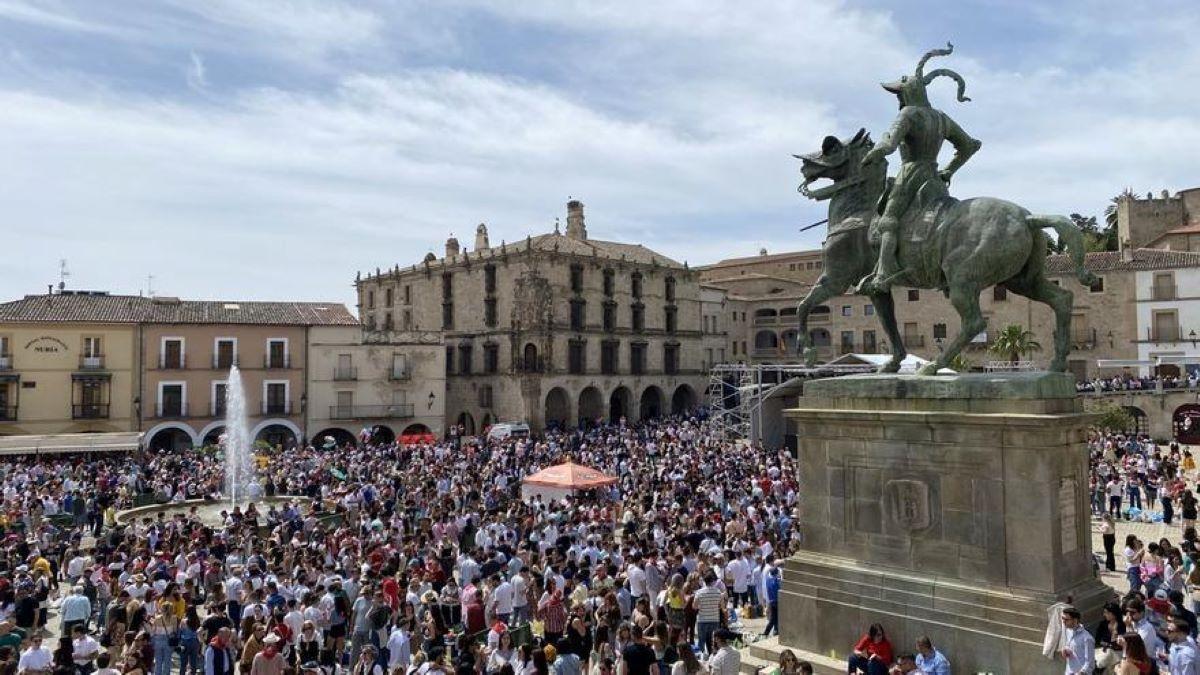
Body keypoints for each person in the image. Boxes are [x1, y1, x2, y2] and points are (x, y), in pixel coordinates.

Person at [854, 42, 979, 294]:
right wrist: (949, 170)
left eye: (899, 94)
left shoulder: (909, 114)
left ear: (907, 93)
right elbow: (970, 146)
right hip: (933, 178)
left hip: (910, 175)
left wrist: (873, 153)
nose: (898, 98)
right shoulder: (942, 118)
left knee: (888, 222)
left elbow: (889, 144)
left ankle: (883, 273)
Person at [1060, 607, 1094, 675]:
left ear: (1075, 620)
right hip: (1068, 671)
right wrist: (1065, 650)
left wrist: (1081, 672)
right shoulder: (1068, 631)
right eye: (1062, 618)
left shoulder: (1087, 638)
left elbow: (1090, 662)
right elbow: (1070, 647)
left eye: (1066, 619)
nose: (1063, 622)